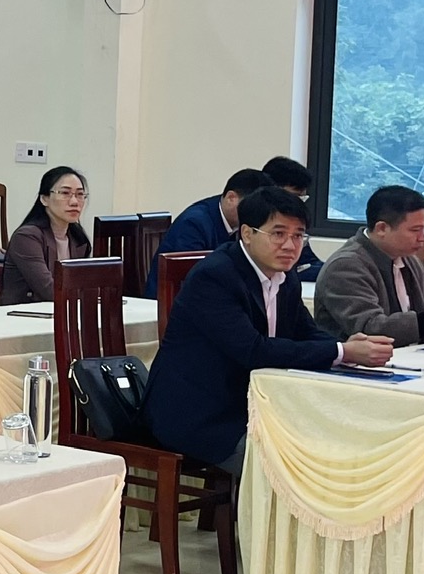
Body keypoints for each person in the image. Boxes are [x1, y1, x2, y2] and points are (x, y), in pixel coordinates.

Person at [146, 187, 390, 480]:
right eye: (278, 234)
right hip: (199, 414)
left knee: (337, 447)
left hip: (255, 406)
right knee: (294, 468)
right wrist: (342, 352)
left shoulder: (285, 277)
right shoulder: (216, 276)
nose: (290, 245)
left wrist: (348, 346)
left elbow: (305, 331)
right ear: (247, 233)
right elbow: (254, 350)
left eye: (298, 236)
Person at [314, 184, 424, 345]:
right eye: (415, 230)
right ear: (382, 228)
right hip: (359, 363)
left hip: (408, 355)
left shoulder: (407, 258)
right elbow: (370, 328)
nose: (423, 238)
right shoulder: (346, 266)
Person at [4, 166, 91, 304]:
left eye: (80, 194)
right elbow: (49, 290)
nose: (74, 202)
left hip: (65, 310)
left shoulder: (77, 238)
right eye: (65, 193)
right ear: (44, 199)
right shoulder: (26, 237)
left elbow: (84, 283)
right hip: (25, 313)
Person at [161, 167, 267, 258]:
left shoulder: (243, 225)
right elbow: (190, 271)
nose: (255, 216)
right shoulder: (194, 224)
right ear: (231, 198)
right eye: (252, 208)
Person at [261, 157, 324, 283]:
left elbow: (309, 261)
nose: (298, 204)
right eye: (295, 196)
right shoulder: (256, 219)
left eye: (302, 198)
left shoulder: (293, 222)